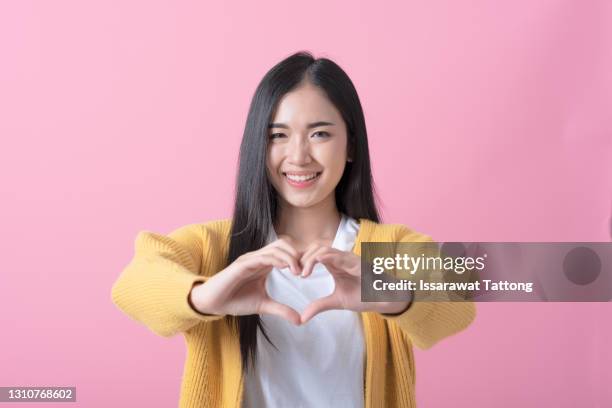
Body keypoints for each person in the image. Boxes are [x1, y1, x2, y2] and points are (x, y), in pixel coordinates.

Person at [111, 51, 476, 408]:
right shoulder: (217, 247)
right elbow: (133, 285)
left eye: (319, 134)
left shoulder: (387, 247)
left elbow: (461, 296)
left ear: (351, 145)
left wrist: (385, 292)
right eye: (278, 135)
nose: (298, 156)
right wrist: (207, 296)